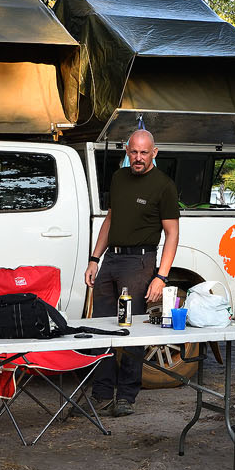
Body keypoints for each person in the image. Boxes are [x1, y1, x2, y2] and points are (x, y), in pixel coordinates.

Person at [84, 128, 179, 417]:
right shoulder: (118, 178)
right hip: (111, 260)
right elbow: (110, 220)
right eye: (134, 152)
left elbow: (172, 234)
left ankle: (126, 396)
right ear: (127, 151)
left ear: (154, 153)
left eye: (144, 152)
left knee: (131, 330)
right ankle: (101, 394)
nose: (138, 158)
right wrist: (94, 258)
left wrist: (161, 276)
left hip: (139, 263)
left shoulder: (164, 185)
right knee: (99, 329)